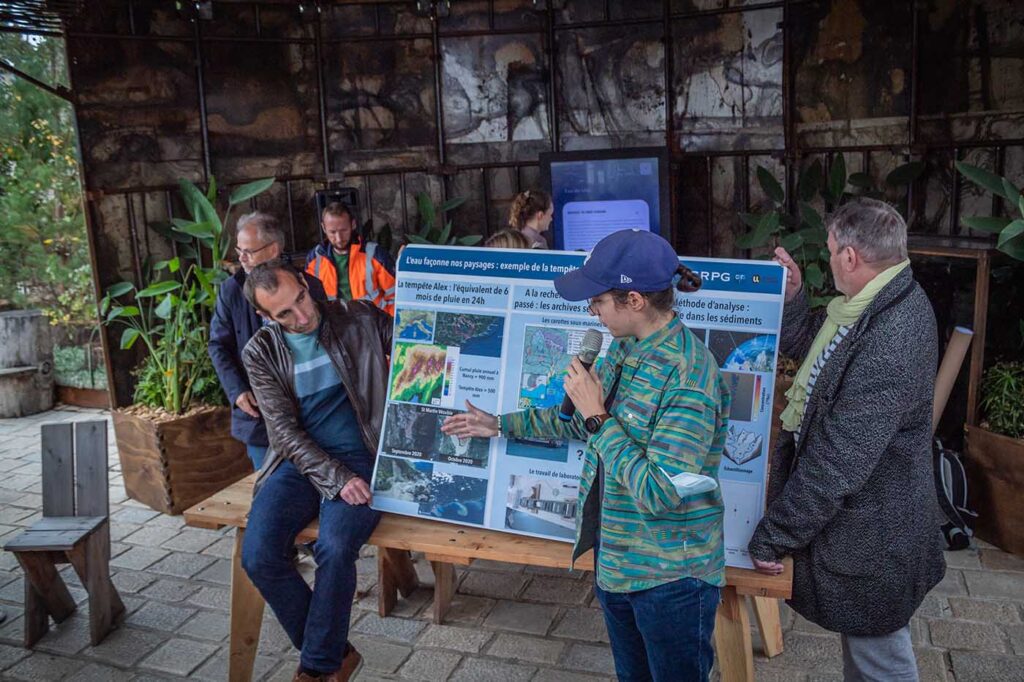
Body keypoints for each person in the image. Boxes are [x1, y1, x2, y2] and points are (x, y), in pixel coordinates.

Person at [442, 229, 729, 682]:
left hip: (670, 579)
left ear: (634, 300)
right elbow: (582, 423)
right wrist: (499, 424)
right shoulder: (623, 347)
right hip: (615, 562)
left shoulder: (690, 376)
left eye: (596, 300)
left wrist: (598, 416)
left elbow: (660, 491)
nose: (590, 310)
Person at [747, 198, 945, 681]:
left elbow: (837, 462)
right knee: (870, 654)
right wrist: (794, 297)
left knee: (881, 659)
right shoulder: (878, 301)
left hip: (875, 537)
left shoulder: (891, 339)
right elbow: (822, 346)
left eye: (833, 250)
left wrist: (773, 536)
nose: (831, 258)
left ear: (851, 257)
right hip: (872, 525)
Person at [240, 259, 393, 682]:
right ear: (265, 317)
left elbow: (420, 339)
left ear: (307, 284)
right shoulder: (260, 351)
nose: (302, 316)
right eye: (284, 313)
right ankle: (335, 653)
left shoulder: (357, 316)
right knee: (258, 555)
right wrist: (337, 479)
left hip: (364, 450)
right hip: (299, 461)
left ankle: (317, 667)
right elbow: (284, 435)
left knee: (335, 546)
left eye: (302, 299)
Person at [208, 212, 326, 470]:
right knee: (271, 484)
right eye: (239, 250)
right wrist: (236, 390)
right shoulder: (231, 290)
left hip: (312, 412)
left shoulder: (310, 287)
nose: (241, 258)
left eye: (248, 251)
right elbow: (218, 345)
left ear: (273, 250)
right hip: (259, 417)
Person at [305, 202, 396, 315]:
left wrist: (386, 324)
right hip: (334, 324)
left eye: (344, 230)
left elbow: (395, 294)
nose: (338, 238)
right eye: (332, 232)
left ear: (353, 224)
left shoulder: (375, 254)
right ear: (323, 228)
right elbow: (310, 300)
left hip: (373, 325)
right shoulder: (314, 258)